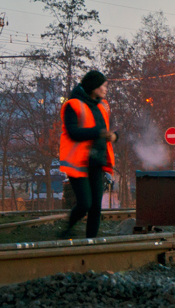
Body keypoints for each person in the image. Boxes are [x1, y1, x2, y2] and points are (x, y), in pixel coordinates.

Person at [59, 69, 117, 238]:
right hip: (78, 163)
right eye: (103, 86)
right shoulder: (73, 105)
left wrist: (113, 136)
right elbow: (73, 132)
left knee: (96, 207)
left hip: (97, 161)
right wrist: (97, 133)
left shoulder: (102, 106)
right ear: (93, 86)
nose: (105, 89)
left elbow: (106, 129)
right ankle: (68, 228)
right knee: (85, 204)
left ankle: (91, 242)